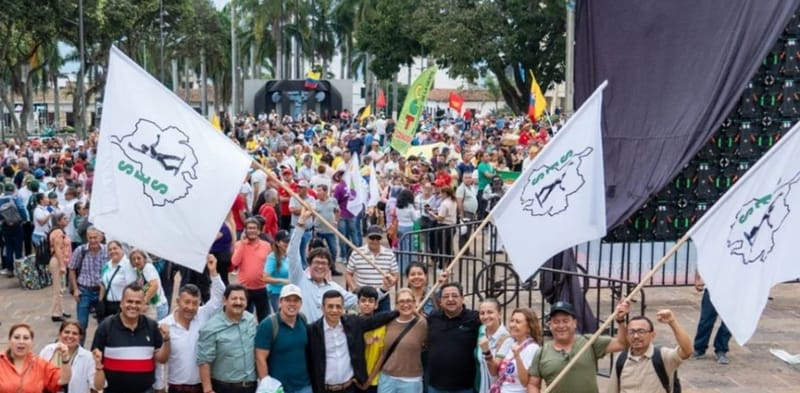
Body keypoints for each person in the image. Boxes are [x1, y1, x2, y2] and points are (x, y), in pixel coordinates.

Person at [291, 207, 392, 322]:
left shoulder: (334, 288)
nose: (320, 266)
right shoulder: (299, 278)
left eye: (324, 263)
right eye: (317, 262)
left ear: (329, 267)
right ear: (309, 264)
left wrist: (383, 289)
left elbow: (359, 302)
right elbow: (292, 253)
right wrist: (300, 224)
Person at [526, 301, 630, 393]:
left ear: (575, 323)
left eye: (565, 321)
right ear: (550, 325)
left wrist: (620, 320)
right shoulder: (541, 353)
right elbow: (533, 384)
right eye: (556, 322)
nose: (561, 326)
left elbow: (622, 344)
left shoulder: (589, 342)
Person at [307, 290, 399, 393]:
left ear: (343, 308)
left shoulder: (352, 323)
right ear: (323, 308)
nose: (334, 310)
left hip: (349, 388)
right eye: (330, 306)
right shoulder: (312, 331)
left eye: (338, 306)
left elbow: (375, 320)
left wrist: (397, 312)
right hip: (324, 389)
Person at [157, 255, 225, 393]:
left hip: (202, 385)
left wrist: (213, 272)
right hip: (177, 387)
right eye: (186, 302)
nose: (191, 307)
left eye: (195, 303)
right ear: (178, 301)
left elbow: (219, 297)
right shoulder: (164, 325)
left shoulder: (203, 314)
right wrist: (159, 387)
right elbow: (159, 361)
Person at [92, 283, 168, 393]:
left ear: (143, 305)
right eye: (129, 301)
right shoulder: (106, 326)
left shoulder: (151, 326)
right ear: (121, 303)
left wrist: (166, 341)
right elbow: (95, 361)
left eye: (138, 302)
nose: (133, 305)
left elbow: (161, 360)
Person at [609, 310, 692, 393]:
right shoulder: (621, 359)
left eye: (641, 331)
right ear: (627, 335)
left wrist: (672, 322)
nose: (636, 336)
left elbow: (687, 351)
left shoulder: (662, 356)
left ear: (652, 335)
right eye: (631, 332)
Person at [197, 284, 258, 393]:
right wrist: (208, 390)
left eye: (242, 299)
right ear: (225, 301)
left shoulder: (251, 320)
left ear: (246, 302)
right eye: (234, 298)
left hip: (250, 386)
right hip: (224, 387)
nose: (238, 302)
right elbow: (204, 361)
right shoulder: (211, 327)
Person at [255, 284, 312, 393]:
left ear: (301, 303)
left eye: (296, 300)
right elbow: (260, 358)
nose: (292, 304)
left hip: (305, 386)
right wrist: (267, 387)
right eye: (288, 300)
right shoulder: (268, 324)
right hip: (279, 388)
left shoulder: (303, 320)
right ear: (280, 302)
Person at [426, 281, 481, 393]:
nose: (450, 299)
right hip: (435, 387)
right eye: (446, 296)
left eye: (455, 296)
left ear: (462, 298)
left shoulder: (475, 318)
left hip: (464, 387)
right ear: (440, 301)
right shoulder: (432, 318)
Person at [373, 288, 428, 393]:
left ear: (414, 302)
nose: (405, 304)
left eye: (408, 301)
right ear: (396, 304)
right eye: (401, 301)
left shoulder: (422, 324)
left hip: (411, 380)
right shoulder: (388, 322)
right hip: (387, 378)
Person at [0, 323, 72, 393]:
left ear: (31, 343)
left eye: (26, 338)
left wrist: (65, 359)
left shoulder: (40, 364)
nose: (21, 341)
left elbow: (63, 380)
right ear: (9, 340)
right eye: (16, 337)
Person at [487, 308, 542, 393]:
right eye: (512, 321)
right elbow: (494, 372)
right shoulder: (509, 342)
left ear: (529, 327)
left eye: (518, 322)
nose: (512, 325)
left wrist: (517, 356)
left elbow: (525, 382)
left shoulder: (533, 348)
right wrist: (487, 353)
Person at [346, 225, 400, 312]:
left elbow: (396, 274)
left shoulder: (389, 254)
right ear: (367, 238)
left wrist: (392, 281)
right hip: (363, 298)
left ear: (381, 239)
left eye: (377, 238)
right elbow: (348, 273)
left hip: (383, 297)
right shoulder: (357, 253)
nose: (375, 241)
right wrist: (354, 289)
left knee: (384, 324)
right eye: (372, 238)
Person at [68, 226, 108, 337]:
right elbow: (71, 268)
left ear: (100, 237)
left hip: (101, 291)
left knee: (104, 324)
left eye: (95, 237)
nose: (93, 240)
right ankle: (79, 349)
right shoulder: (81, 251)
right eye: (90, 238)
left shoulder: (107, 250)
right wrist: (75, 289)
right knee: (81, 324)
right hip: (84, 290)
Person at [232, 217, 273, 322]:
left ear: (259, 231)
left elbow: (271, 265)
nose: (252, 231)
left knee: (264, 319)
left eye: (254, 228)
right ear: (245, 230)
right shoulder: (239, 245)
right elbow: (234, 262)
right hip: (244, 289)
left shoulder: (267, 246)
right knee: (244, 319)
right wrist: (242, 243)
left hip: (262, 288)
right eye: (249, 228)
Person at [39, 320, 95, 393]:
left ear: (80, 337)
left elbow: (95, 386)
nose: (70, 336)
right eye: (67, 332)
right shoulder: (47, 350)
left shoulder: (88, 357)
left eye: (75, 333)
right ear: (60, 334)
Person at [691, 273, 732, 364]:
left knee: (728, 322)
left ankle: (721, 349)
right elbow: (703, 259)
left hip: (734, 287)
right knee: (706, 320)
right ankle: (699, 348)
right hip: (714, 286)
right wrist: (698, 278)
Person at [475, 299, 513, 393]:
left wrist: (487, 351)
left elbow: (495, 371)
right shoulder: (481, 330)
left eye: (490, 312)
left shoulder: (507, 339)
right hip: (479, 388)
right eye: (482, 313)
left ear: (499, 314)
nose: (485, 316)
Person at [98, 240, 135, 320]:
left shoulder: (127, 265)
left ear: (121, 249)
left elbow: (131, 287)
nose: (112, 251)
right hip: (107, 304)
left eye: (115, 248)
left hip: (121, 305)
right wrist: (100, 302)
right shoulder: (107, 265)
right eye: (110, 249)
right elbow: (103, 284)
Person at [356, 286, 384, 393]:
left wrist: (370, 379)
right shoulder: (352, 324)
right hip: (355, 380)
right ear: (358, 303)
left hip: (374, 380)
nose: (367, 304)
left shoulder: (382, 326)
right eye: (363, 300)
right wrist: (363, 344)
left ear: (376, 305)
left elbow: (382, 356)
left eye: (371, 301)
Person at [130, 248, 170, 320]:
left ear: (144, 258)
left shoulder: (147, 268)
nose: (136, 261)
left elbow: (154, 285)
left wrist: (143, 303)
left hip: (158, 307)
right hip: (152, 307)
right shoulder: (138, 270)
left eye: (139, 258)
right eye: (133, 259)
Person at [312, 183, 342, 275]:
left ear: (325, 192)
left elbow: (337, 211)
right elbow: (312, 215)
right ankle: (318, 270)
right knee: (318, 251)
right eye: (317, 190)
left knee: (333, 250)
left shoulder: (333, 201)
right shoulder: (315, 203)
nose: (317, 192)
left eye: (319, 190)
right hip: (319, 231)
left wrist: (336, 221)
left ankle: (332, 269)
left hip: (330, 231)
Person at [48, 212, 72, 322]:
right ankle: (55, 313)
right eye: (64, 218)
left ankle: (60, 310)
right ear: (58, 221)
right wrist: (62, 265)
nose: (66, 220)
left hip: (60, 261)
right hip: (58, 261)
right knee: (58, 288)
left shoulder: (60, 231)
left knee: (61, 288)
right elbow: (58, 249)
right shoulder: (58, 232)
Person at [0, 182, 27, 277]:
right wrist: (24, 218)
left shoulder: (0, 199)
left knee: (8, 248)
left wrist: (4, 220)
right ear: (13, 190)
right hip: (16, 225)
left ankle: (10, 270)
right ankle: (19, 270)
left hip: (5, 226)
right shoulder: (15, 198)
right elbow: (21, 208)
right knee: (18, 248)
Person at [392, 189, 420, 272]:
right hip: (409, 227)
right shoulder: (410, 207)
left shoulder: (397, 207)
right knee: (410, 249)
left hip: (400, 227)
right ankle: (411, 267)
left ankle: (402, 267)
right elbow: (415, 218)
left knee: (402, 248)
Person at [265, 229, 293, 312]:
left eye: (289, 241)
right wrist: (283, 281)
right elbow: (265, 278)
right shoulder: (272, 258)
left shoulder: (290, 255)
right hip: (276, 293)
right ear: (277, 243)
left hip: (289, 291)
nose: (287, 244)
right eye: (285, 241)